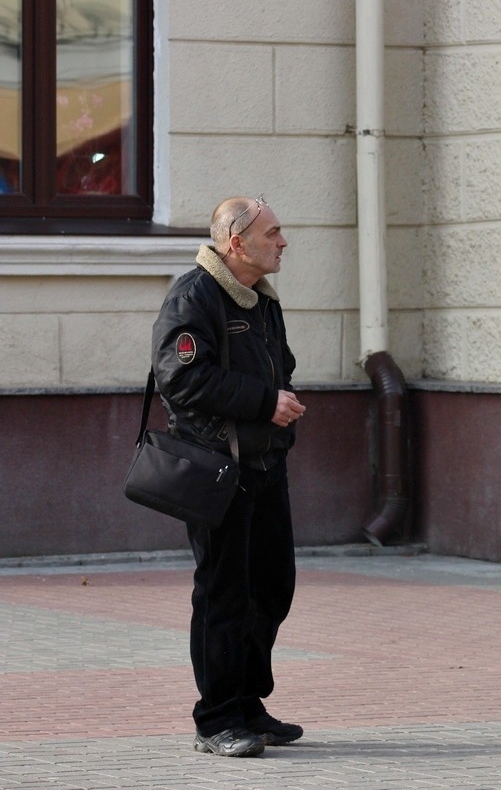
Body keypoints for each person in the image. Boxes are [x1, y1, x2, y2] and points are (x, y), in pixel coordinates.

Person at [152, 195, 308, 757]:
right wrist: (266, 401)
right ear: (236, 242)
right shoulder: (193, 296)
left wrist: (280, 402)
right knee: (224, 594)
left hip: (265, 466)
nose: (283, 241)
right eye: (273, 232)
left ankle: (249, 705)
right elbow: (181, 380)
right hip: (218, 469)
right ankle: (216, 719)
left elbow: (280, 365)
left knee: (271, 588)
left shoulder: (263, 300)